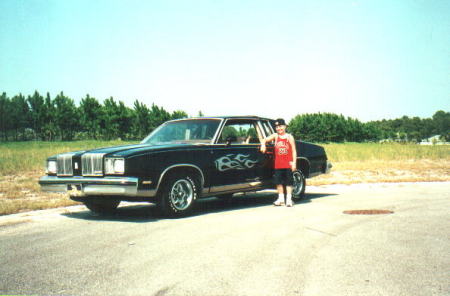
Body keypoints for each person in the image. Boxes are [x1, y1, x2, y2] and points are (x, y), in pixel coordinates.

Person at [260, 118, 297, 207]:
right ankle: (280, 199)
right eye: (276, 127)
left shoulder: (289, 137)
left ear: (284, 126)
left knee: (289, 182)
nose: (278, 128)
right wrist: (263, 145)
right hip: (278, 164)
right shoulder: (275, 136)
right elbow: (264, 139)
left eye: (280, 126)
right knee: (278, 182)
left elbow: (294, 150)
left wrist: (294, 162)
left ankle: (288, 199)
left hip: (288, 163)